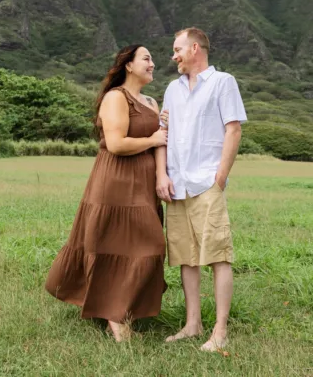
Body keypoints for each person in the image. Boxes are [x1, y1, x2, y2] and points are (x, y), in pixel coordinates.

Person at [44, 44, 168, 342]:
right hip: (116, 179)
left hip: (144, 182)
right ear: (128, 65)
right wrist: (152, 139)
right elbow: (116, 144)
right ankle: (115, 316)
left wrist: (161, 173)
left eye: (152, 59)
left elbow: (162, 139)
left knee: (150, 247)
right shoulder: (116, 97)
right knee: (113, 243)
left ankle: (118, 307)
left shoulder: (151, 101)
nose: (152, 63)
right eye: (146, 58)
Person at [157, 27, 246, 352]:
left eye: (178, 49)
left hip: (207, 182)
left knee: (218, 255)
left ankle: (220, 330)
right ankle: (192, 324)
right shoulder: (172, 89)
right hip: (177, 185)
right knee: (186, 257)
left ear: (195, 48)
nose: (174, 56)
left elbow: (233, 130)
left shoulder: (223, 82)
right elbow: (163, 133)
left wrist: (219, 177)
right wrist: (162, 175)